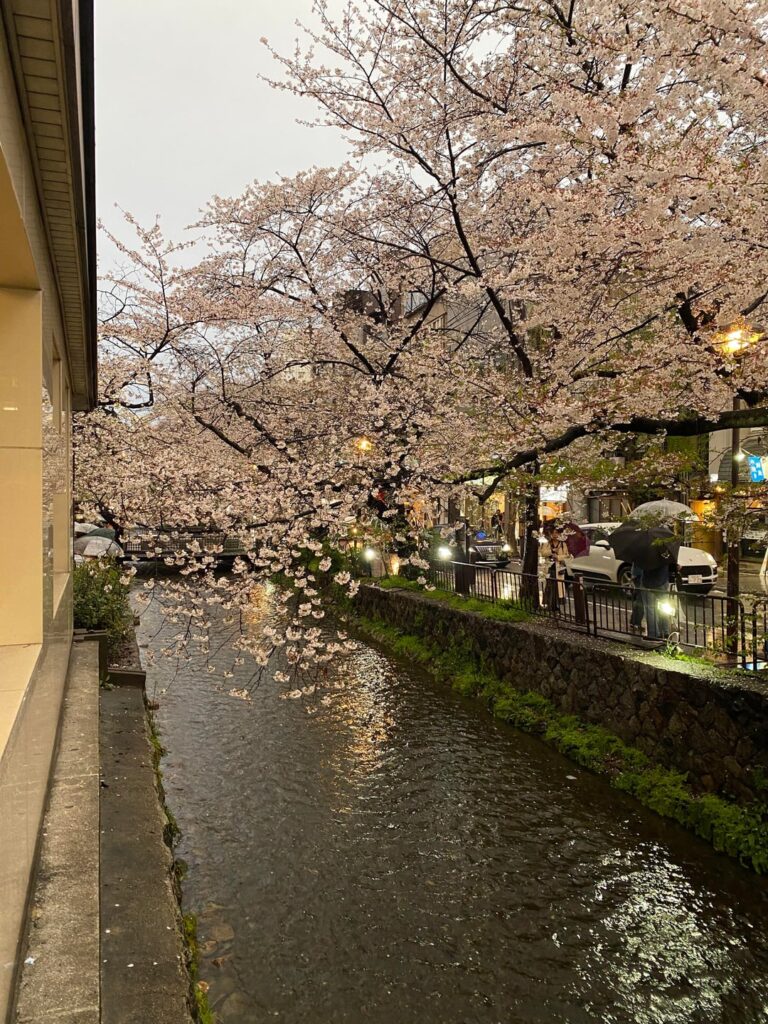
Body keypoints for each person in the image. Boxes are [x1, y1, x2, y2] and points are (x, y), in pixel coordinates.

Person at [541, 526, 572, 611]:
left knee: (558, 587)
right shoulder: (547, 543)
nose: (555, 535)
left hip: (559, 568)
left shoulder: (563, 544)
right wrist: (552, 551)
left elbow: (567, 555)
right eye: (553, 533)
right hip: (549, 568)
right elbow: (543, 553)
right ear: (550, 534)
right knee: (549, 586)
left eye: (556, 533)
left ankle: (555, 605)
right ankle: (549, 605)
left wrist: (558, 557)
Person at [629, 562, 645, 633]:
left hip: (638, 577)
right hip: (639, 578)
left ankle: (634, 622)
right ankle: (636, 623)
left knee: (639, 602)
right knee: (640, 603)